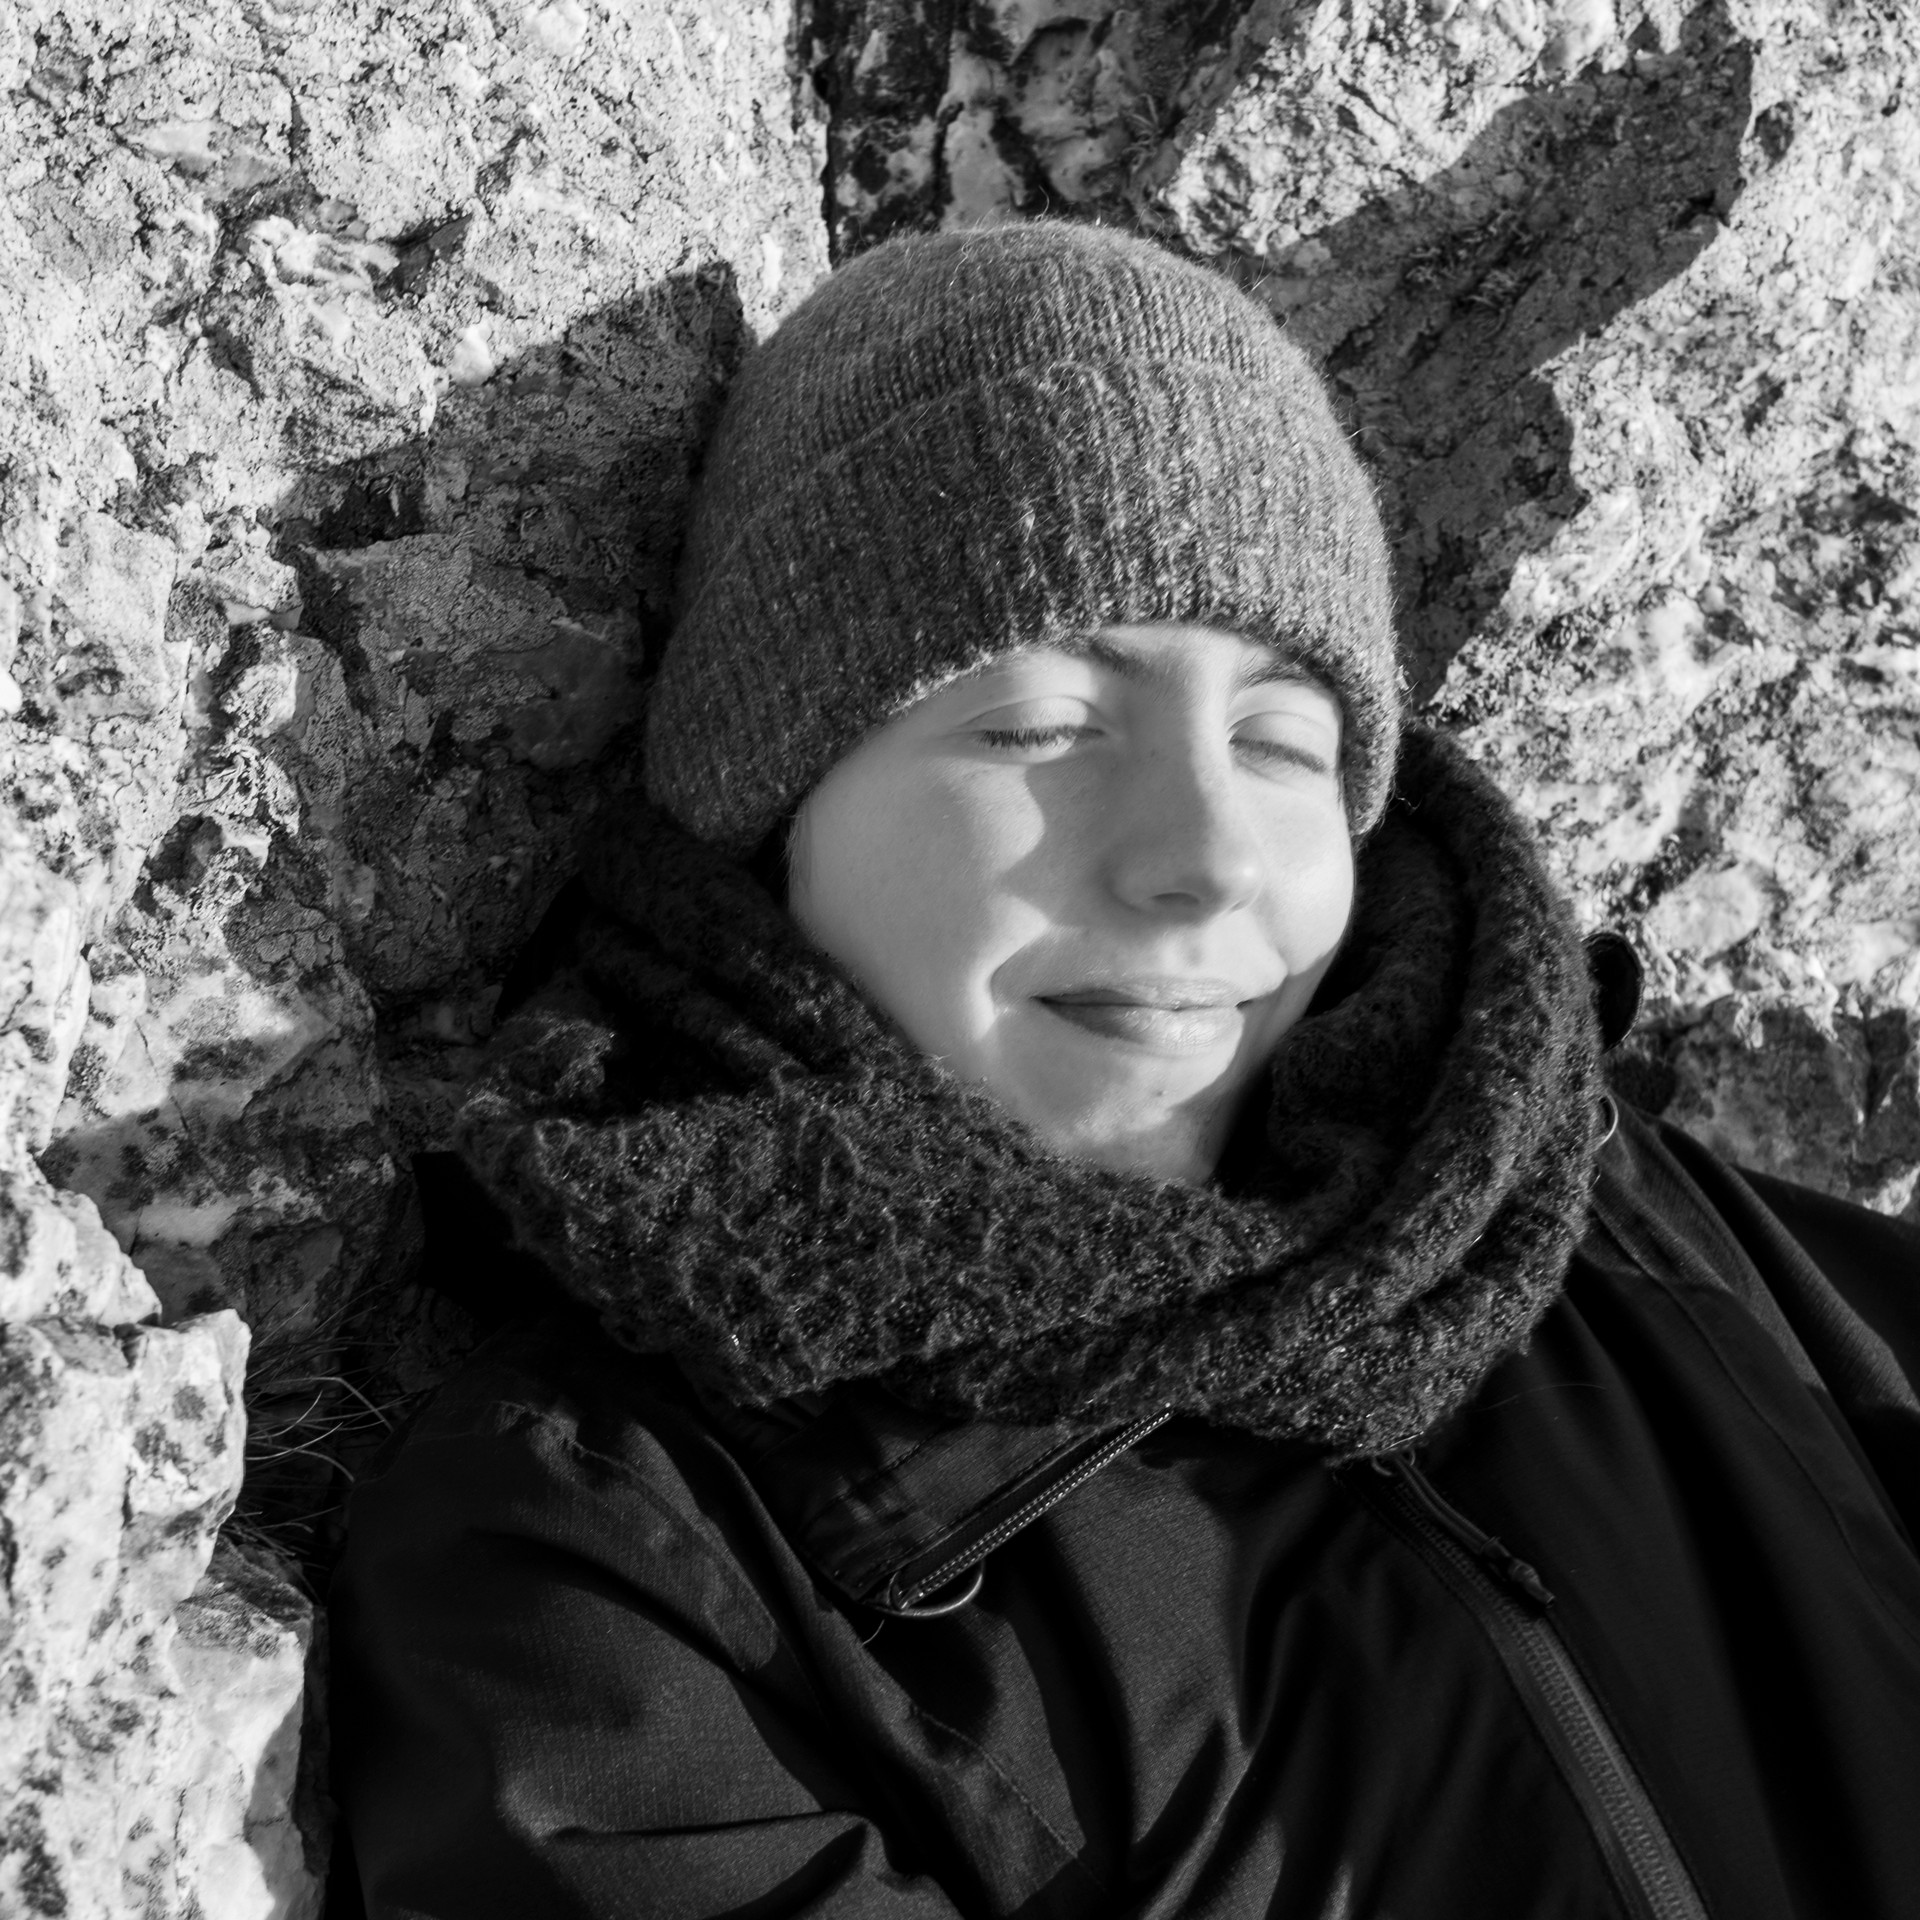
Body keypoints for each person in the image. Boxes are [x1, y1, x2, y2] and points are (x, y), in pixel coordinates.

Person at [329, 220, 1920, 1920]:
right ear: (767, 807)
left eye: (1281, 741)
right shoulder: (606, 1567)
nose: (1209, 858)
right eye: (1040, 725)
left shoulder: (1642, 1235)